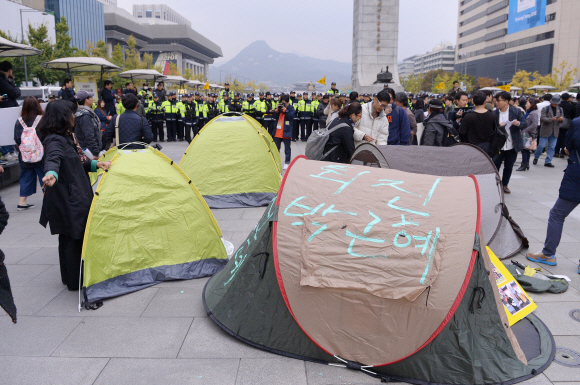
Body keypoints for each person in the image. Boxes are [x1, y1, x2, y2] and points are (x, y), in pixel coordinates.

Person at [38, 100, 111, 290]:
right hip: (70, 197)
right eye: (71, 114)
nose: (73, 117)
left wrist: (97, 164)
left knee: (68, 236)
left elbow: (79, 162)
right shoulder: (55, 139)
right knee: (74, 237)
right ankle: (75, 281)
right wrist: (51, 174)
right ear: (62, 117)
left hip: (71, 194)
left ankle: (69, 277)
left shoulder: (66, 137)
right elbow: (53, 159)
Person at [526, 115, 580, 270]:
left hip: (576, 177)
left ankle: (548, 254)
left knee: (557, 214)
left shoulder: (577, 123)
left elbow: (568, 148)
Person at [13, 96, 44, 210]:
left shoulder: (20, 120)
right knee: (44, 177)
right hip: (40, 155)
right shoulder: (42, 119)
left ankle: (22, 203)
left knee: (25, 177)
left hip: (25, 155)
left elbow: (17, 138)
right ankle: (49, 200)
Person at [493, 91, 526, 194]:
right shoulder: (494, 113)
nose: (496, 103)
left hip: (512, 144)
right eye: (496, 100)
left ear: (506, 101)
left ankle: (505, 184)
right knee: (495, 165)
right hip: (499, 145)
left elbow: (524, 123)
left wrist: (518, 123)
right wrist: (498, 127)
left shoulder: (515, 111)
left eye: (499, 100)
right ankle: (494, 185)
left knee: (509, 166)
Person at [458, 91, 496, 155]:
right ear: (485, 102)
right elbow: (495, 131)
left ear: (473, 102)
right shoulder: (492, 115)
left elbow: (461, 132)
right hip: (487, 147)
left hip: (471, 147)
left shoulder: (468, 116)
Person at [534, 94, 563, 168]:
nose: (555, 104)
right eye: (554, 103)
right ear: (551, 102)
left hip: (555, 131)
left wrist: (561, 119)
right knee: (541, 146)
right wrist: (551, 119)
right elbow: (543, 118)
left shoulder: (560, 109)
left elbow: (563, 120)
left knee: (552, 147)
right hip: (545, 130)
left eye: (557, 103)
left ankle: (548, 161)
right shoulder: (545, 108)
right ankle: (536, 157)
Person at [74, 91, 102, 160]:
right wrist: (95, 153)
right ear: (86, 100)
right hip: (89, 153)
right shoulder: (86, 116)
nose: (92, 99)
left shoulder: (78, 112)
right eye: (90, 98)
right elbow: (89, 136)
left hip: (85, 151)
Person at [272, 94, 295, 169]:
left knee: (287, 149)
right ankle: (276, 161)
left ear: (288, 102)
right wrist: (276, 111)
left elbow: (290, 117)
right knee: (276, 149)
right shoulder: (279, 108)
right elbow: (275, 117)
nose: (283, 104)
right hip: (278, 131)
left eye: (284, 103)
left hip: (286, 131)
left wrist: (285, 110)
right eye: (282, 102)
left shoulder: (291, 108)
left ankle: (287, 162)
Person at [517, 98, 540, 172]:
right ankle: (526, 164)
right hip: (526, 133)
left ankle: (524, 164)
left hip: (528, 134)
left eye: (527, 103)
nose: (526, 105)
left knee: (525, 149)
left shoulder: (533, 113)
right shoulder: (528, 112)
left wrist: (525, 130)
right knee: (526, 150)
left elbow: (534, 124)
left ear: (532, 104)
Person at [555, 93, 576, 158]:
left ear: (561, 98)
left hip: (558, 122)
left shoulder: (558, 105)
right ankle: (562, 153)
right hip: (567, 124)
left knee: (557, 137)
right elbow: (573, 116)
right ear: (568, 98)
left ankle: (556, 152)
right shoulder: (571, 106)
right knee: (565, 138)